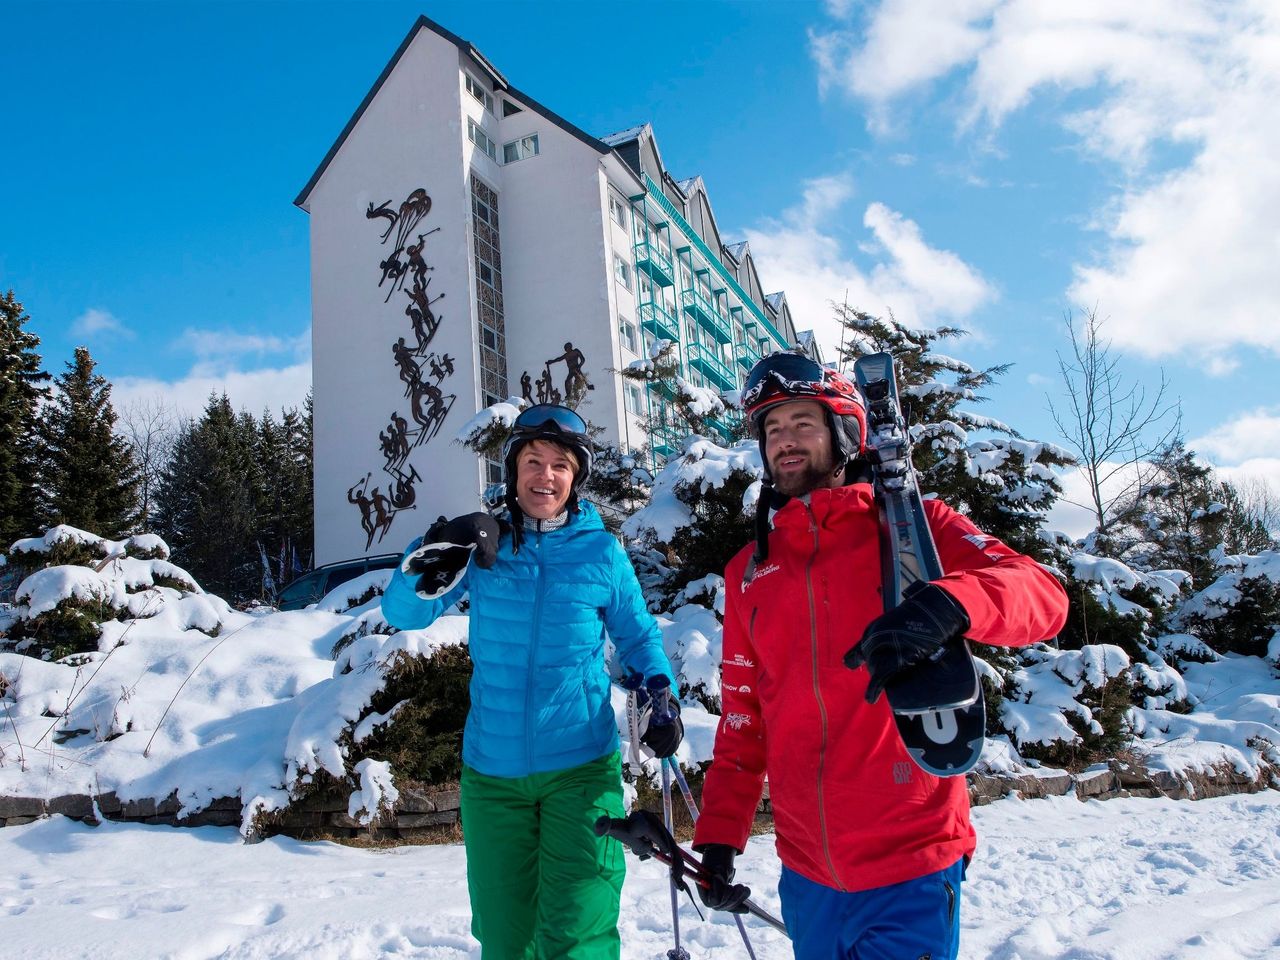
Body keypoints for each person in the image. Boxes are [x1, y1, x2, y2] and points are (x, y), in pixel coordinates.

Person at [691, 352, 1068, 960]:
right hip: (807, 873)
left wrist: (952, 603)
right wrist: (719, 836)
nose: (785, 441)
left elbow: (1043, 596)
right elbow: (743, 719)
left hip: (910, 863)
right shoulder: (749, 571)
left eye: (802, 423)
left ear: (843, 433)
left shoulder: (913, 529)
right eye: (772, 429)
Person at [381, 403, 682, 960]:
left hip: (580, 769)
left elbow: (638, 638)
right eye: (533, 461)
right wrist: (437, 546)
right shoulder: (484, 548)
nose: (545, 475)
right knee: (505, 936)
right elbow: (406, 614)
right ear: (513, 470)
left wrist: (660, 694)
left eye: (560, 465)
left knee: (578, 930)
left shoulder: (602, 553)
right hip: (493, 776)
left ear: (576, 477)